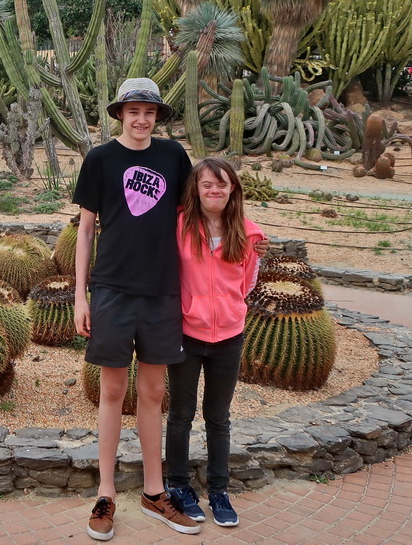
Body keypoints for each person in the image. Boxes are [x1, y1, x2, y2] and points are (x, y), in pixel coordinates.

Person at [72, 77, 202, 540]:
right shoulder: (100, 159)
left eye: (149, 111)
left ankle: (153, 492)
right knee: (111, 392)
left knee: (151, 393)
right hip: (112, 290)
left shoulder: (173, 157)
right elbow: (86, 230)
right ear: (120, 114)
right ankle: (105, 492)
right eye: (133, 111)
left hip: (162, 290)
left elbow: (195, 217)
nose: (141, 119)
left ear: (158, 116)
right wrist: (79, 296)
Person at [165, 157, 265, 528]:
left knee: (218, 417)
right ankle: (178, 486)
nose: (214, 191)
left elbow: (247, 283)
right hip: (188, 335)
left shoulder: (249, 233)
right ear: (197, 189)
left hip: (229, 337)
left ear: (233, 189)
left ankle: (219, 491)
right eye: (207, 184)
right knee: (180, 415)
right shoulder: (180, 226)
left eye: (222, 185)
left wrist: (228, 308)